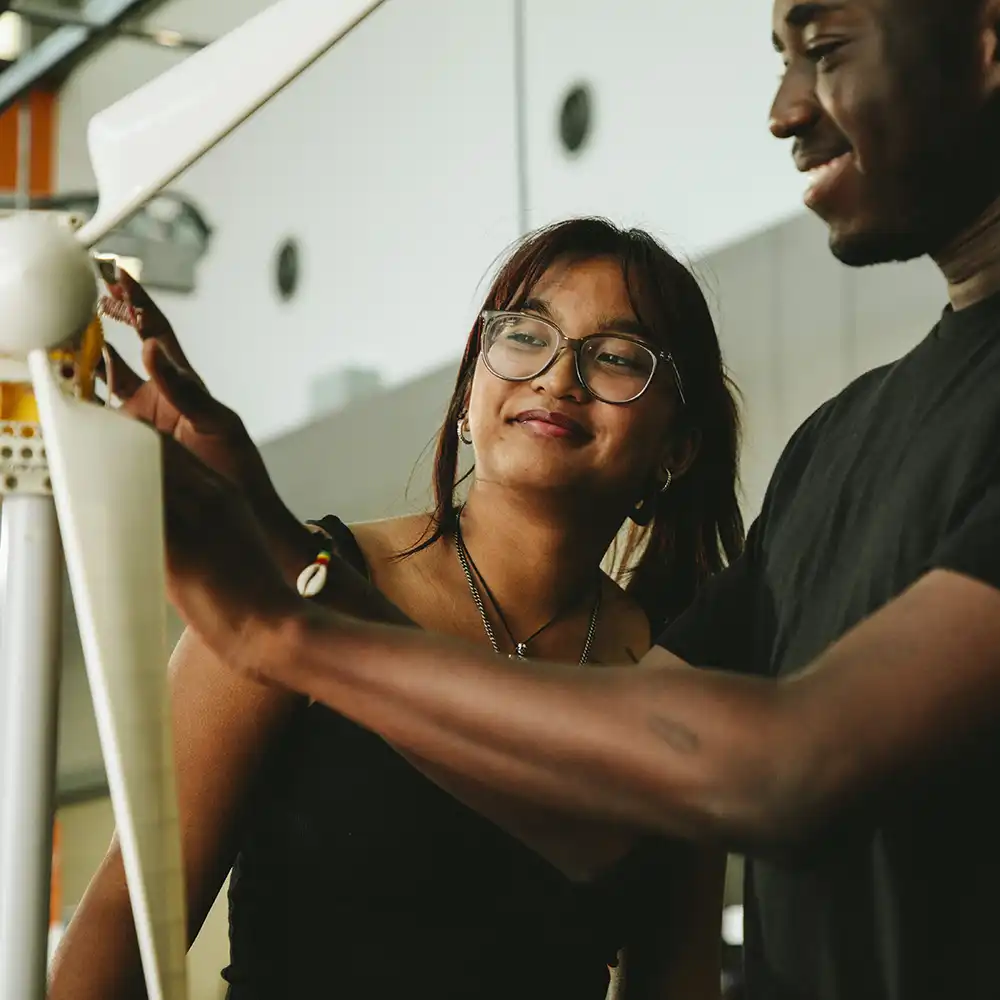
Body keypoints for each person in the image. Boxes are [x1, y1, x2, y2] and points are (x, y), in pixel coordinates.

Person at [146, 1, 1000, 999]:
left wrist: (291, 631)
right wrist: (284, 554)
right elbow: (597, 816)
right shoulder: (831, 446)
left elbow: (789, 766)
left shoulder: (658, 614)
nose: (781, 110)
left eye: (825, 45)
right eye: (526, 337)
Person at [49, 218, 746, 999]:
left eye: (617, 357)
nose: (558, 376)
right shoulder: (299, 581)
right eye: (525, 335)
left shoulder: (675, 662)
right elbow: (124, 921)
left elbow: (676, 977)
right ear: (467, 394)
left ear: (677, 449)